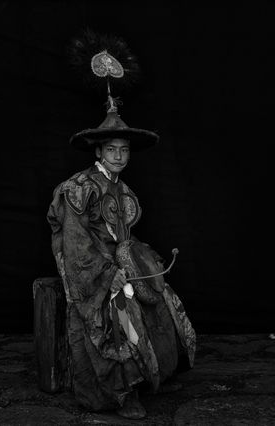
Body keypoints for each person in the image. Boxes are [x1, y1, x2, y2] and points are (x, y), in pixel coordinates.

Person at [47, 104, 196, 419]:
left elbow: (123, 237)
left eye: (124, 150)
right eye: (111, 149)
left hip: (121, 267)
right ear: (99, 151)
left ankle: (156, 377)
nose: (118, 156)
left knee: (160, 302)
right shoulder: (79, 188)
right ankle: (120, 395)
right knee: (115, 321)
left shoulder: (121, 188)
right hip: (93, 273)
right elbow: (75, 242)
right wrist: (107, 274)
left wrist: (142, 262)